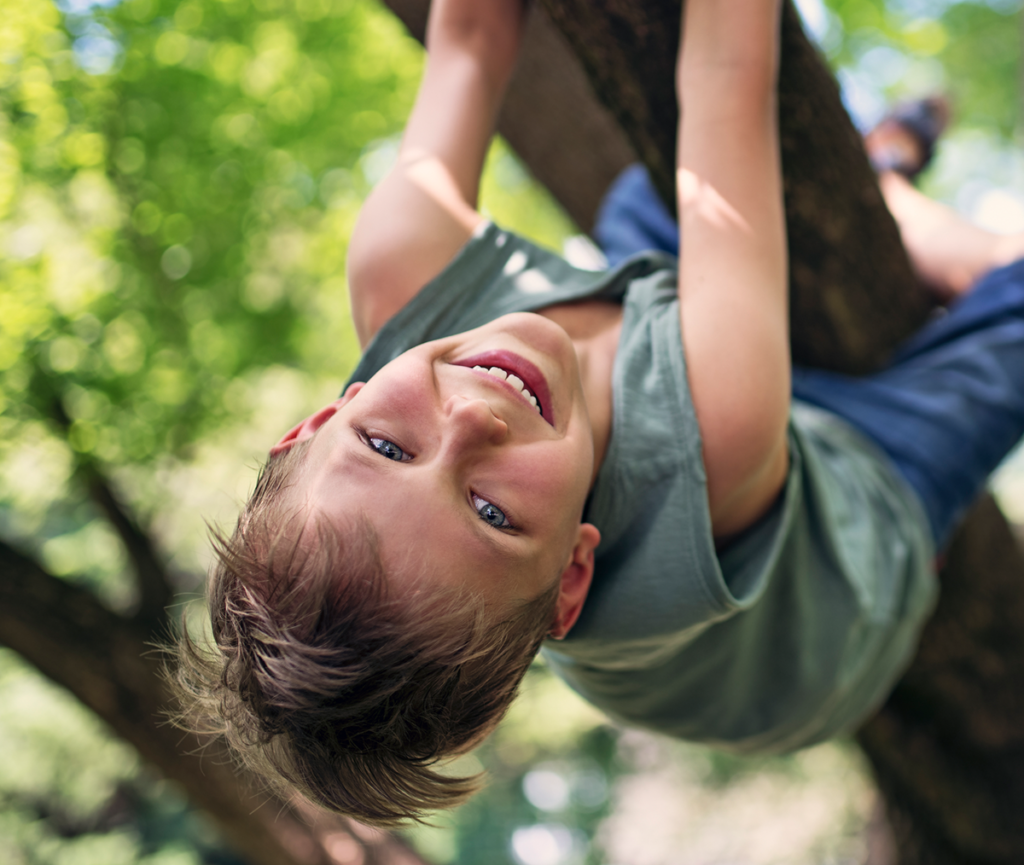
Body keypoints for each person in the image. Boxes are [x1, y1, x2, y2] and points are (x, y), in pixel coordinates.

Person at [174, 0, 1024, 828]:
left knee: (651, 201)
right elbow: (728, 75)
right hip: (832, 590)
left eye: (387, 446)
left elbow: (470, 33)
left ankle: (891, 178)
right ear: (573, 573)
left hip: (718, 394)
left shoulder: (405, 266)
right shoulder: (713, 431)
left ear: (320, 420)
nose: (471, 422)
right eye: (491, 512)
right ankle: (906, 196)